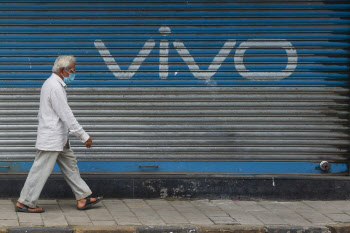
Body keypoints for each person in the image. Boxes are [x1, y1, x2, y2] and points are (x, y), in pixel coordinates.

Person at [15, 55, 102, 213]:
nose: (73, 74)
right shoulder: (54, 87)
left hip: (60, 138)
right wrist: (84, 136)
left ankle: (82, 198)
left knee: (71, 166)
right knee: (40, 169)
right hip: (51, 138)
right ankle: (25, 202)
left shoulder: (54, 84)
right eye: (72, 71)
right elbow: (66, 114)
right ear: (63, 71)